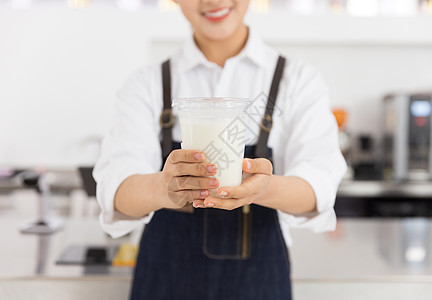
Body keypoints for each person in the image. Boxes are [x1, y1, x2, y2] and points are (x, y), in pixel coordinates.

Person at [93, 0, 347, 299]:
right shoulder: (147, 85)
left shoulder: (296, 80)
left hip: (257, 285)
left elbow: (318, 188)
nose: (213, 1)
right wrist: (163, 188)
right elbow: (117, 191)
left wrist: (262, 189)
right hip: (166, 281)